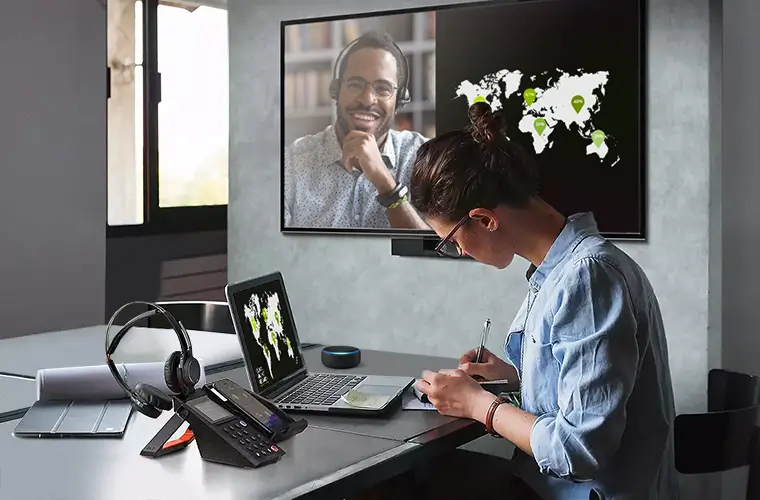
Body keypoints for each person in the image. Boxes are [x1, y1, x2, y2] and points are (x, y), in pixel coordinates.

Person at [354, 101, 679, 500]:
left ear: (485, 219)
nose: (461, 253)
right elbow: (591, 391)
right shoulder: (563, 270)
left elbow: (578, 450)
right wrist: (515, 377)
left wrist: (479, 406)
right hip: (553, 487)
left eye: (452, 242)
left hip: (586, 493)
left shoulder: (589, 278)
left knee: (393, 488)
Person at [283, 31, 429, 230]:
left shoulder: (425, 160)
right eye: (355, 85)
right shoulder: (291, 163)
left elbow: (439, 254)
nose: (367, 100)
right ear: (336, 91)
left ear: (400, 100)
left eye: (383, 88)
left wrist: (386, 185)